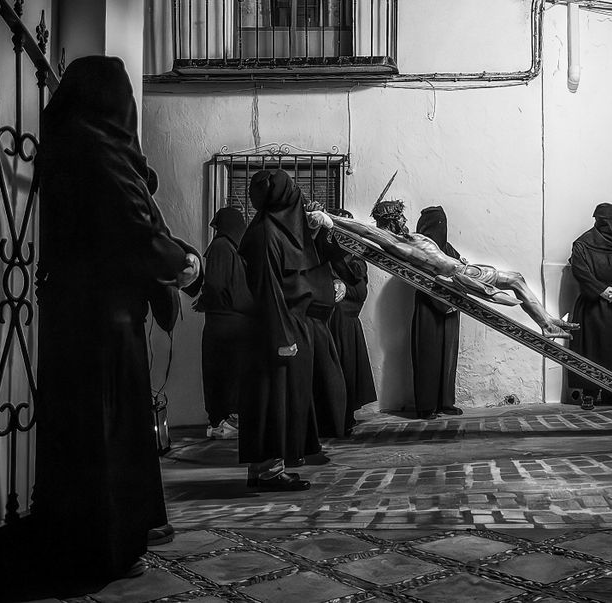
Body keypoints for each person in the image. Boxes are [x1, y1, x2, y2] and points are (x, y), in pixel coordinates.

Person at [34, 56, 200, 582]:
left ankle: (82, 541)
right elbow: (134, 229)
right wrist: (184, 263)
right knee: (110, 433)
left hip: (70, 314)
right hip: (105, 322)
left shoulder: (64, 143)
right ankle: (105, 545)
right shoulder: (99, 149)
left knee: (79, 433)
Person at [309, 200, 579, 340]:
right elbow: (366, 231)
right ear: (391, 221)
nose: (405, 219)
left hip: (466, 269)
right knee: (515, 281)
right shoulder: (398, 244)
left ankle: (547, 322)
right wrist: (329, 218)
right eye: (400, 216)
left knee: (517, 279)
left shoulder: (411, 237)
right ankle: (547, 324)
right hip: (461, 276)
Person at [238, 169, 344, 491]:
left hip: (288, 325)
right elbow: (268, 290)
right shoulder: (267, 234)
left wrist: (319, 230)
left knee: (279, 401)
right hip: (278, 329)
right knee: (274, 402)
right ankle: (269, 472)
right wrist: (282, 338)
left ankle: (267, 469)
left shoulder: (275, 230)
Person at [563, 203, 612, 407]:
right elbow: (581, 271)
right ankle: (589, 391)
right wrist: (601, 290)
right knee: (591, 350)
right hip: (592, 305)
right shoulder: (583, 244)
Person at [195, 206, 255, 440]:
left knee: (219, 373)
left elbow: (216, 284)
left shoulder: (220, 246)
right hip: (240, 322)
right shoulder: (239, 249)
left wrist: (205, 300)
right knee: (234, 374)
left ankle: (221, 421)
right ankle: (232, 419)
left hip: (221, 323)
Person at [326, 208, 378, 433]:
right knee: (339, 369)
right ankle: (337, 419)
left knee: (347, 370)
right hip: (337, 320)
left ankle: (344, 416)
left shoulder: (353, 255)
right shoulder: (331, 254)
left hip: (349, 319)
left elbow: (358, 275)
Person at [411, 206, 463, 419]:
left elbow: (458, 269)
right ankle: (426, 406)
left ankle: (445, 403)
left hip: (450, 309)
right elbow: (423, 278)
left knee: (448, 358)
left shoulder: (447, 249)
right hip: (429, 309)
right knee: (428, 356)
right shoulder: (420, 250)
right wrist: (444, 302)